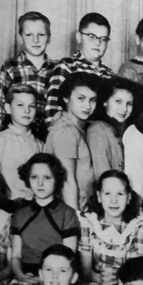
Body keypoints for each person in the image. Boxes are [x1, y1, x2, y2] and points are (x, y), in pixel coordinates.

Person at [8, 153, 79, 285]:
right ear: (28, 179)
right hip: (26, 276)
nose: (40, 183)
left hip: (57, 275)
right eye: (34, 177)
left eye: (47, 178)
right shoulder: (20, 214)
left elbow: (68, 257)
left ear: (56, 179)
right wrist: (21, 276)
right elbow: (15, 256)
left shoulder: (67, 214)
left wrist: (42, 280)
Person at [78, 170, 143, 285]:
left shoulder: (137, 228)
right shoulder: (89, 224)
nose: (114, 200)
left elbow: (137, 269)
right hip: (94, 284)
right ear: (99, 197)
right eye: (107, 194)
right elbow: (85, 269)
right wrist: (98, 277)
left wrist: (119, 278)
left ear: (129, 197)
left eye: (120, 194)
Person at [43, 13, 117, 125]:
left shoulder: (111, 75)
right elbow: (52, 112)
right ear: (79, 36)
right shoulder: (67, 66)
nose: (98, 43)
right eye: (92, 37)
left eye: (103, 39)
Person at [0, 11, 56, 136]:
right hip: (17, 132)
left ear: (49, 38)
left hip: (46, 134)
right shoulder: (11, 66)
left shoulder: (56, 69)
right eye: (29, 35)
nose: (35, 40)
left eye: (41, 35)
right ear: (21, 38)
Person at [44, 73, 99, 210]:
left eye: (92, 100)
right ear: (66, 97)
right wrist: (74, 219)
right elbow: (67, 181)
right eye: (81, 98)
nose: (87, 106)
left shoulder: (76, 127)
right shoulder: (66, 131)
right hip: (70, 209)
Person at [0, 86, 43, 204]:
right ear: (8, 108)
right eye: (20, 105)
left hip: (35, 206)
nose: (27, 111)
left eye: (32, 106)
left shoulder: (40, 144)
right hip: (8, 206)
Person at [85, 77, 134, 179]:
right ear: (105, 102)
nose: (124, 109)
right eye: (118, 101)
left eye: (129, 103)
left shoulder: (124, 129)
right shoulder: (98, 130)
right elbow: (103, 175)